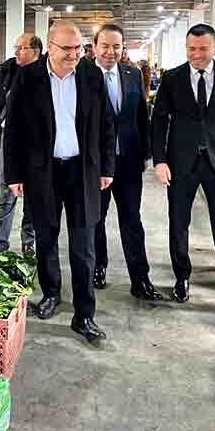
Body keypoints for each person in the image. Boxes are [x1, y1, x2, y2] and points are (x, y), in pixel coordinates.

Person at [4, 23, 115, 343]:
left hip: (82, 171)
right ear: (50, 47)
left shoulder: (91, 76)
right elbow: (14, 130)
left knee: (84, 245)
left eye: (79, 48)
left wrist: (106, 167)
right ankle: (51, 293)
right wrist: (14, 174)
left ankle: (85, 314)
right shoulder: (28, 77)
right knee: (46, 237)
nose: (74, 54)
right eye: (67, 49)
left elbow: (107, 124)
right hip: (43, 172)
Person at [150, 23, 215, 329]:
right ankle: (181, 277)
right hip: (181, 163)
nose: (196, 54)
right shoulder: (172, 78)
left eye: (203, 49)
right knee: (178, 223)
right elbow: (159, 122)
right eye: (191, 49)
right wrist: (160, 160)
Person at [92, 25, 163, 301]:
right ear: (95, 47)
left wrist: (145, 153)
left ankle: (140, 278)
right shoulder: (83, 76)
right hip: (97, 165)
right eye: (105, 46)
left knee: (132, 220)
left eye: (116, 46)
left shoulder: (132, 74)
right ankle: (98, 266)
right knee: (96, 219)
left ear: (123, 48)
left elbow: (141, 116)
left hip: (129, 164)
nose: (111, 52)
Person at [0, 34, 42, 255]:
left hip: (37, 141)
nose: (16, 52)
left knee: (34, 194)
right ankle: (1, 244)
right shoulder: (3, 70)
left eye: (22, 48)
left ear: (36, 51)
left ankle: (29, 241)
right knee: (7, 190)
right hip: (10, 138)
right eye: (15, 47)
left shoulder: (46, 72)